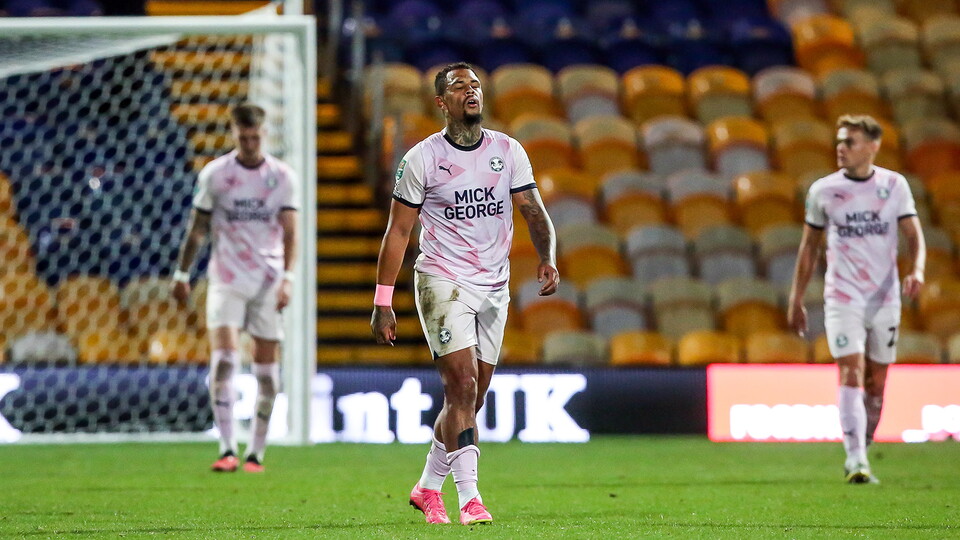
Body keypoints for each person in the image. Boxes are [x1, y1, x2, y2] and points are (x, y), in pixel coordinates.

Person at [371, 62, 560, 525]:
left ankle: (426, 487)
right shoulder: (421, 158)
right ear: (442, 103)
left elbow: (533, 209)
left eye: (475, 85)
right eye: (459, 87)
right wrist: (382, 301)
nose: (470, 92)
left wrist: (547, 255)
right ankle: (471, 498)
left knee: (470, 402)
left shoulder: (507, 150)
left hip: (493, 285)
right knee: (462, 386)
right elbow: (398, 232)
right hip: (441, 279)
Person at [788, 114, 925, 484]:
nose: (841, 147)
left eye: (850, 142)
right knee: (850, 369)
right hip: (842, 297)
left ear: (873, 146)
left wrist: (917, 270)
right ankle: (856, 459)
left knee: (878, 383)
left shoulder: (894, 186)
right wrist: (796, 298)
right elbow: (808, 248)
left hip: (885, 299)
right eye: (839, 141)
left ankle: (862, 444)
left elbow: (914, 236)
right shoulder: (823, 190)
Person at [171, 103, 299, 474]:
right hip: (226, 277)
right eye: (242, 137)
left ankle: (256, 452)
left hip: (268, 281)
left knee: (266, 375)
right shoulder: (215, 174)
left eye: (254, 137)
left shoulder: (282, 177)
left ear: (264, 135)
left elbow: (290, 233)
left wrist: (288, 278)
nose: (248, 143)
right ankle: (227, 448)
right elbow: (197, 228)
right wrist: (182, 274)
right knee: (225, 360)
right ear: (233, 134)